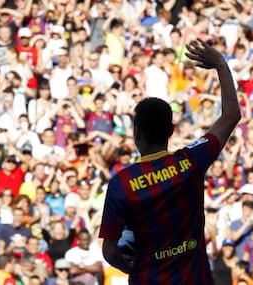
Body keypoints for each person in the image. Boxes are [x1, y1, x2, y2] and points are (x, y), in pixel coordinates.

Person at [99, 39, 241, 284]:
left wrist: (132, 266)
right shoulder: (192, 161)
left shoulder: (121, 184)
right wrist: (220, 63)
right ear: (171, 131)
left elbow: (110, 251)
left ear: (136, 133)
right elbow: (231, 114)